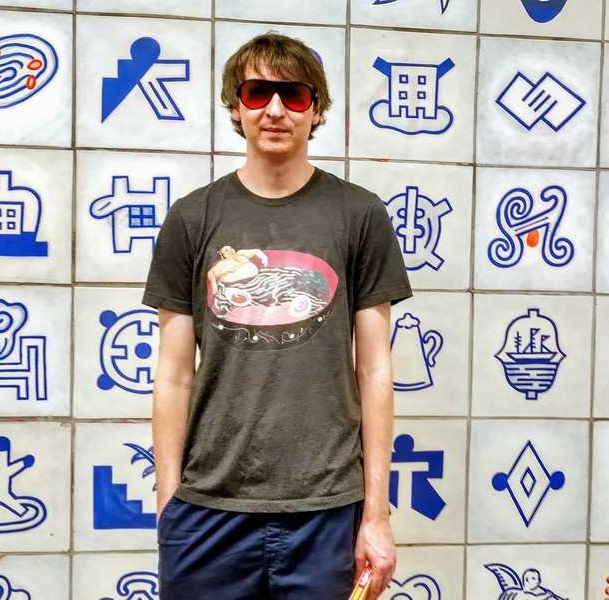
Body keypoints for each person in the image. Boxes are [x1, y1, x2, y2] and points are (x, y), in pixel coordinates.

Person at [142, 32, 411, 599]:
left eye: (294, 95)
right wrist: (169, 505)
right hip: (207, 509)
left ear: (316, 109)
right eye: (257, 92)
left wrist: (376, 514)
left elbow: (374, 371)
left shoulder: (360, 215)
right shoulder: (192, 218)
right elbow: (173, 375)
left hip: (328, 509)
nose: (274, 109)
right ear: (236, 106)